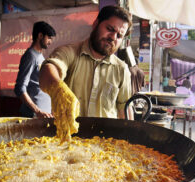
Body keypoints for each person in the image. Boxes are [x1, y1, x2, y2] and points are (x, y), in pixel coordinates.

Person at [39, 5, 132, 141]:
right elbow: (49, 69)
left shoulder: (122, 69)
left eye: (119, 35)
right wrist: (58, 90)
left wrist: (129, 141)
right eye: (110, 29)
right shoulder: (69, 52)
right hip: (68, 142)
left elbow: (125, 111)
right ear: (96, 24)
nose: (113, 37)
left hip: (107, 148)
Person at [14, 21, 56, 118]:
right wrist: (37, 111)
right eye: (49, 38)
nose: (50, 41)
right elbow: (20, 88)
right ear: (40, 36)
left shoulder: (40, 56)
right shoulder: (30, 56)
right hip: (34, 116)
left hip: (43, 115)